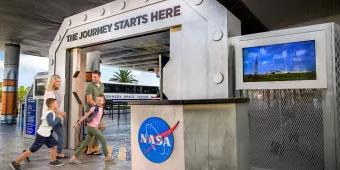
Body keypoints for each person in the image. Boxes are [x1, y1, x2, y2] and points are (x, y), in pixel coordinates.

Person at [10, 98, 64, 170]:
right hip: (42, 135)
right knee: (33, 149)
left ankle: (53, 161)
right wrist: (59, 119)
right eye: (56, 103)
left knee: (53, 145)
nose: (57, 104)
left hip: (47, 134)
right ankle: (15, 162)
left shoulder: (50, 112)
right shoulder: (50, 113)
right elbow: (51, 123)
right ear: (52, 105)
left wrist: (58, 116)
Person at [69, 95, 112, 164]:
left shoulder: (102, 109)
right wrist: (77, 123)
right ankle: (107, 156)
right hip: (92, 127)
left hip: (91, 128)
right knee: (103, 139)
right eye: (97, 100)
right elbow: (85, 116)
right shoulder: (94, 108)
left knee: (84, 144)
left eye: (100, 100)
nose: (98, 102)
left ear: (103, 102)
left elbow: (97, 119)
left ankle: (73, 157)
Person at [42, 74, 67, 158]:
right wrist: (61, 113)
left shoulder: (56, 91)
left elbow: (57, 105)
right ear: (52, 81)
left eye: (60, 81)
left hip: (56, 116)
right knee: (61, 135)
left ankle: (29, 151)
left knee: (44, 137)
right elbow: (51, 107)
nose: (59, 83)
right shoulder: (49, 92)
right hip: (52, 117)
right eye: (57, 81)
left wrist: (60, 114)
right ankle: (59, 153)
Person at [84, 70, 105, 155]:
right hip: (91, 110)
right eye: (92, 77)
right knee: (99, 127)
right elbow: (89, 100)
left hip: (98, 111)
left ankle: (90, 148)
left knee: (100, 127)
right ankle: (89, 149)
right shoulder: (89, 86)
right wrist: (97, 106)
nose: (93, 78)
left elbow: (101, 97)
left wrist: (101, 106)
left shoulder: (102, 85)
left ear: (99, 77)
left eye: (95, 77)